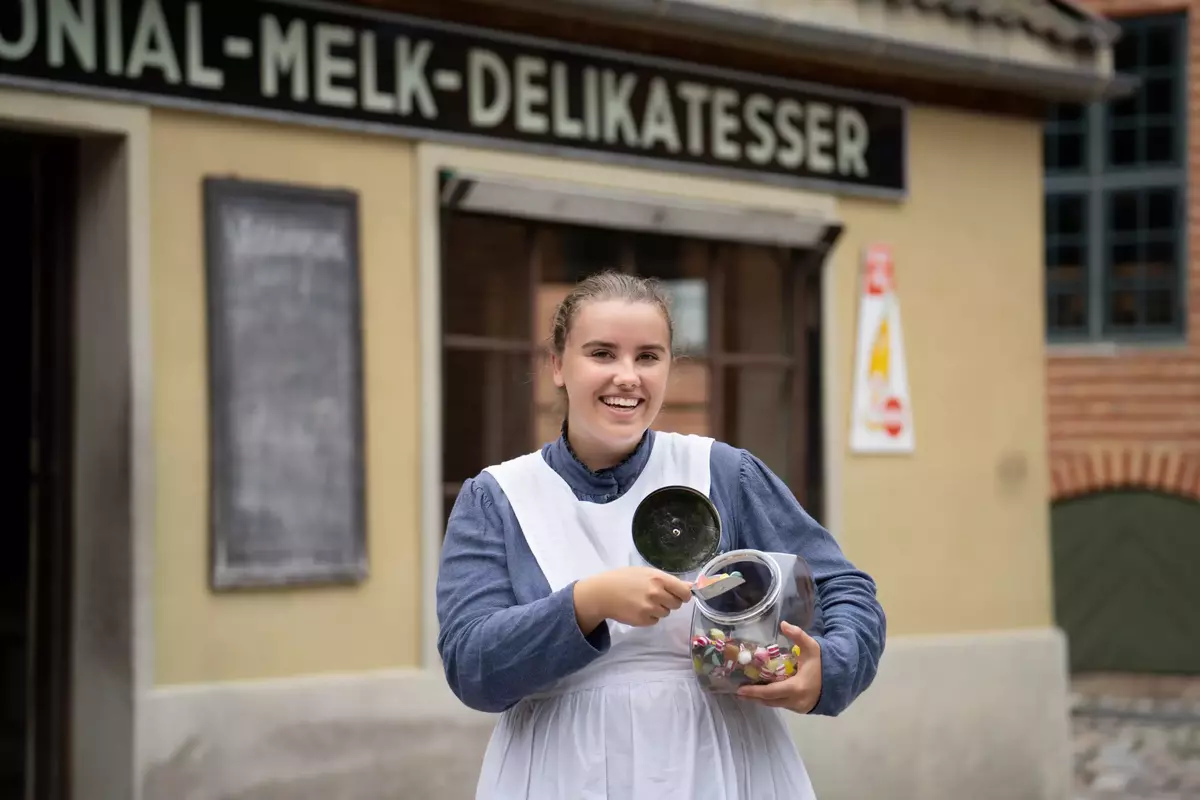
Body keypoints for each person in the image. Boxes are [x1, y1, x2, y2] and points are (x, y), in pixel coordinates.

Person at [436, 270, 887, 800]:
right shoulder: (498, 498)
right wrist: (588, 601)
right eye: (602, 354)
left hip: (721, 769)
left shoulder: (725, 472)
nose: (627, 376)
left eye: (648, 356)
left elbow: (843, 589)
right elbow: (472, 666)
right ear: (557, 365)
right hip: (560, 774)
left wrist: (827, 670)